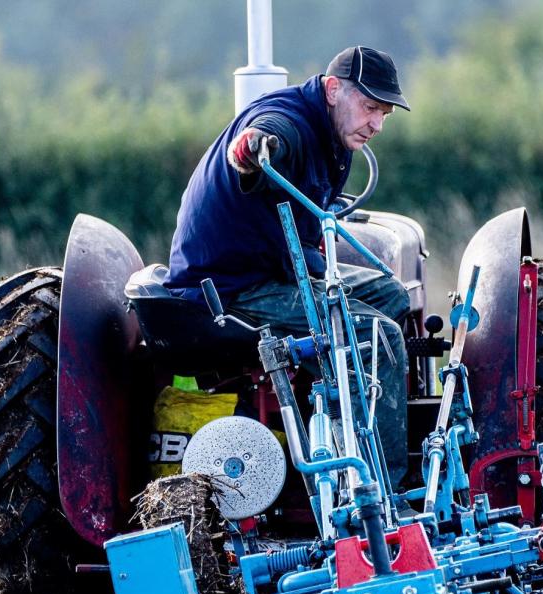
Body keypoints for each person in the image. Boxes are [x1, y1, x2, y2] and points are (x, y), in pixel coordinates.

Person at [164, 46, 412, 484]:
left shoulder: (335, 135)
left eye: (385, 113)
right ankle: (379, 492)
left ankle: (339, 414)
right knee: (378, 339)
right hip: (232, 286)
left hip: (276, 271)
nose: (376, 124)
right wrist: (253, 148)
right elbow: (263, 141)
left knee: (391, 294)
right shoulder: (292, 122)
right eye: (370, 107)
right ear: (333, 90)